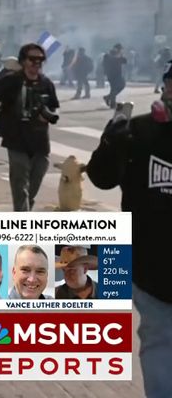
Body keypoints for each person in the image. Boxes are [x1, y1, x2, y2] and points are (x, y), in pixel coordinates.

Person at [85, 59, 172, 397]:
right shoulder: (139, 131)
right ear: (164, 87)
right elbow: (101, 178)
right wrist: (110, 143)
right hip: (151, 265)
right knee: (161, 340)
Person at [0, 43, 59, 211]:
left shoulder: (47, 83)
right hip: (17, 141)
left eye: (40, 59)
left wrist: (45, 115)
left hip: (41, 144)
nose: (36, 63)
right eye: (32, 59)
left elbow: (53, 107)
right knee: (21, 189)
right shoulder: (12, 80)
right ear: (23, 61)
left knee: (31, 191)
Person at [103, 43, 127, 108]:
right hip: (113, 75)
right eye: (120, 49)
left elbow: (124, 61)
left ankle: (109, 98)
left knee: (118, 87)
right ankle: (112, 103)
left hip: (116, 74)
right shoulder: (109, 55)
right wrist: (119, 56)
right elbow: (110, 61)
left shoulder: (117, 55)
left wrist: (121, 55)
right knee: (115, 88)